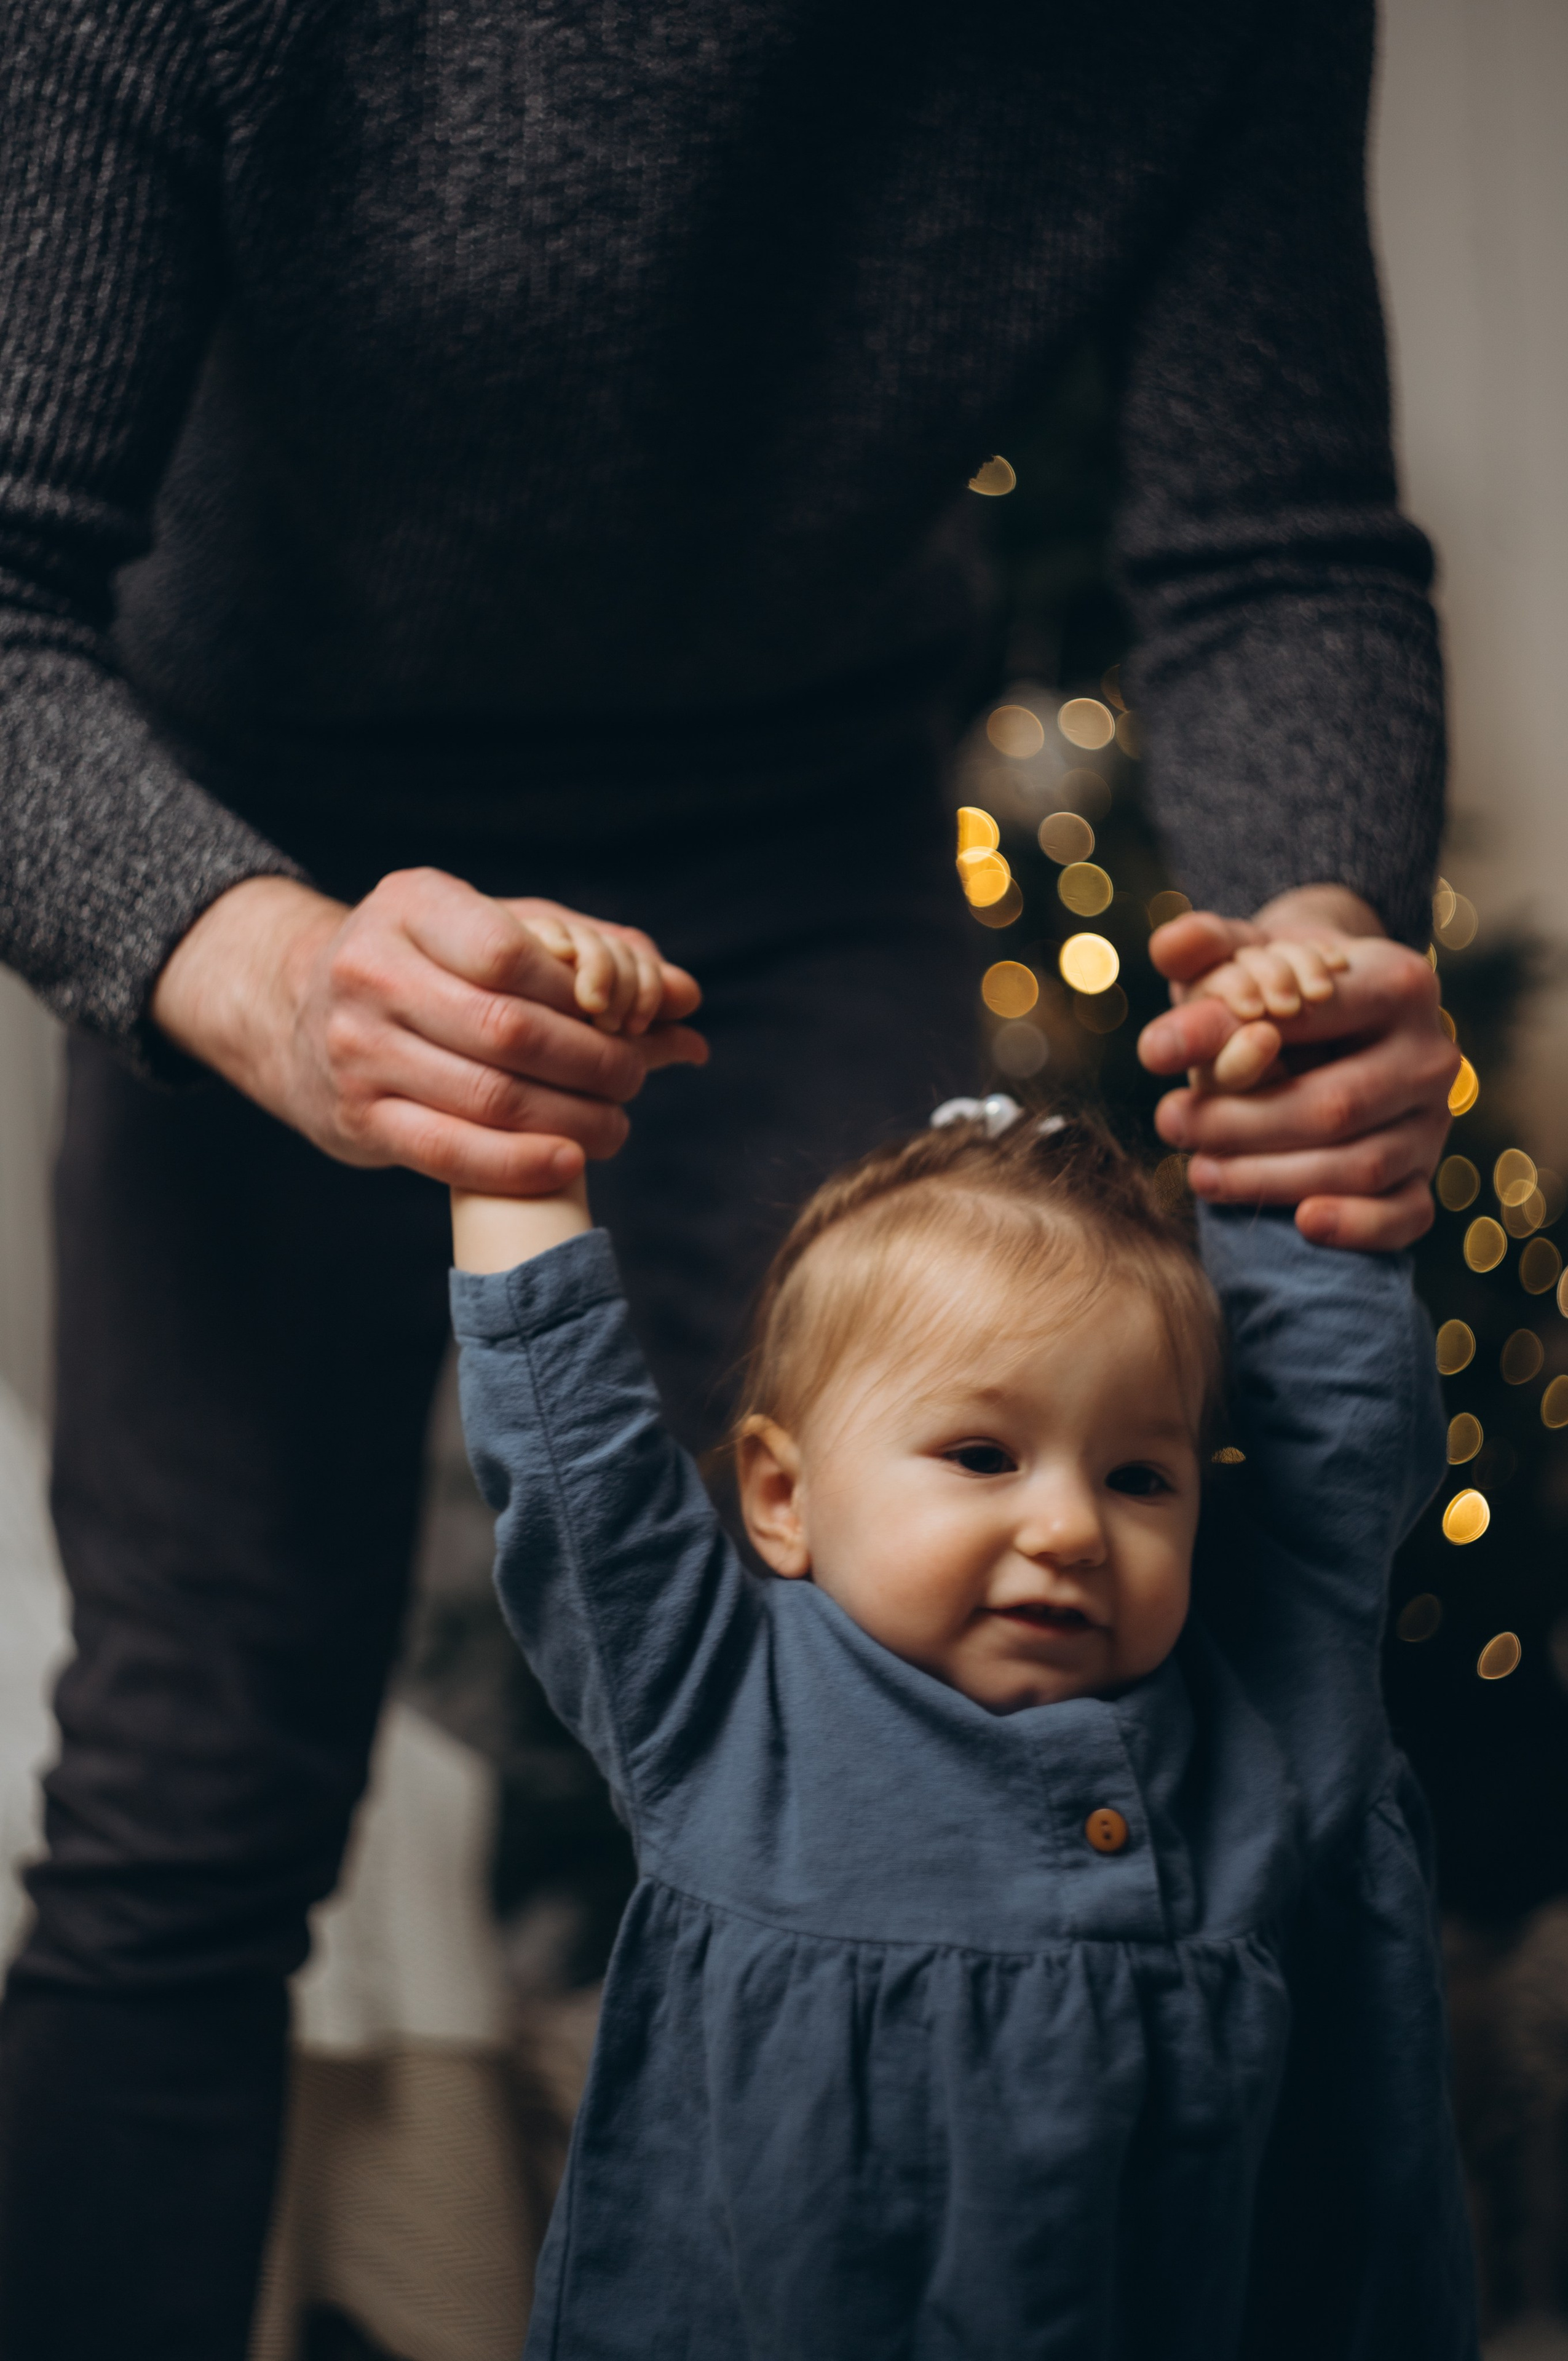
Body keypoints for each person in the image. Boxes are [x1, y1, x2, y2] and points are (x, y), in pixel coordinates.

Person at [0, 0, 1459, 2347]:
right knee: (189, 1798)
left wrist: (1314, 939)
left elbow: (1284, 548)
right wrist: (261, 971)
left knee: (994, 1692)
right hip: (257, 820)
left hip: (807, 822)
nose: (1086, 1531)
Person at [446, 920, 1475, 2359]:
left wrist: (1279, 1087)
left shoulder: (1265, 1695)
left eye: (1137, 1478)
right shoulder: (722, 1715)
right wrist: (513, 1139)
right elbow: (578, 1480)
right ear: (782, 1499)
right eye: (983, 1455)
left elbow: (1327, 1434)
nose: (1067, 1527)